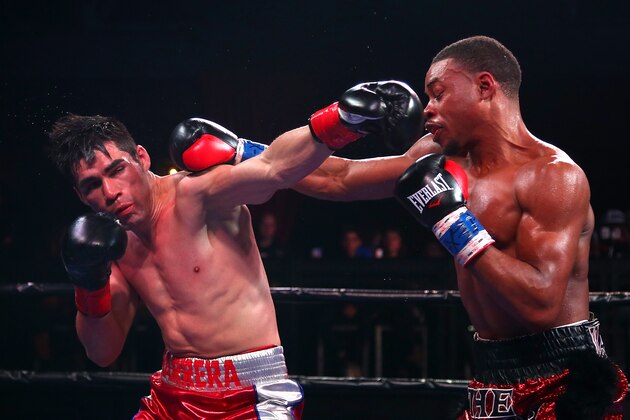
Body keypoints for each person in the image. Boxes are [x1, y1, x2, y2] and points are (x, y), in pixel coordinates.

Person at [290, 36, 628, 418]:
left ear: (485, 87)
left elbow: (540, 305)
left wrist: (452, 222)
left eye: (438, 94)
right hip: (490, 373)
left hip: (562, 380)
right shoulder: (439, 157)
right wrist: (243, 155)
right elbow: (341, 178)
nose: (427, 110)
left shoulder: (553, 176)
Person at [47, 80, 422, 419]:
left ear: (141, 158)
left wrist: (342, 120)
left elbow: (275, 167)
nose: (110, 192)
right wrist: (88, 282)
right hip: (171, 396)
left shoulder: (198, 195)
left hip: (252, 392)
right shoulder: (110, 245)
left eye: (117, 170)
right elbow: (102, 352)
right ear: (81, 195)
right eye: (93, 185)